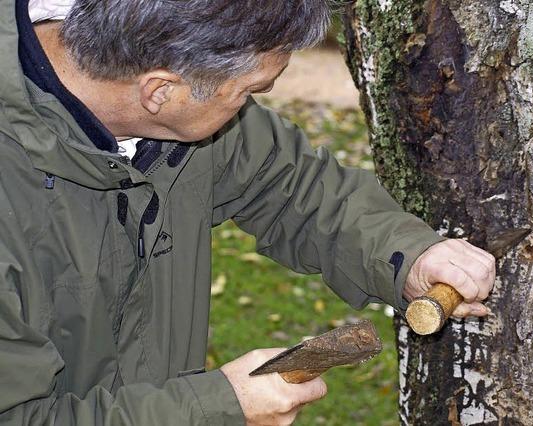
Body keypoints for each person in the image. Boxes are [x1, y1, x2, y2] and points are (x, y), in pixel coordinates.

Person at [0, 0, 496, 424]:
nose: (252, 106)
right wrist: (215, 407)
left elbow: (288, 183)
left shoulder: (171, 98)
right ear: (159, 91)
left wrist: (407, 256)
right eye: (249, 91)